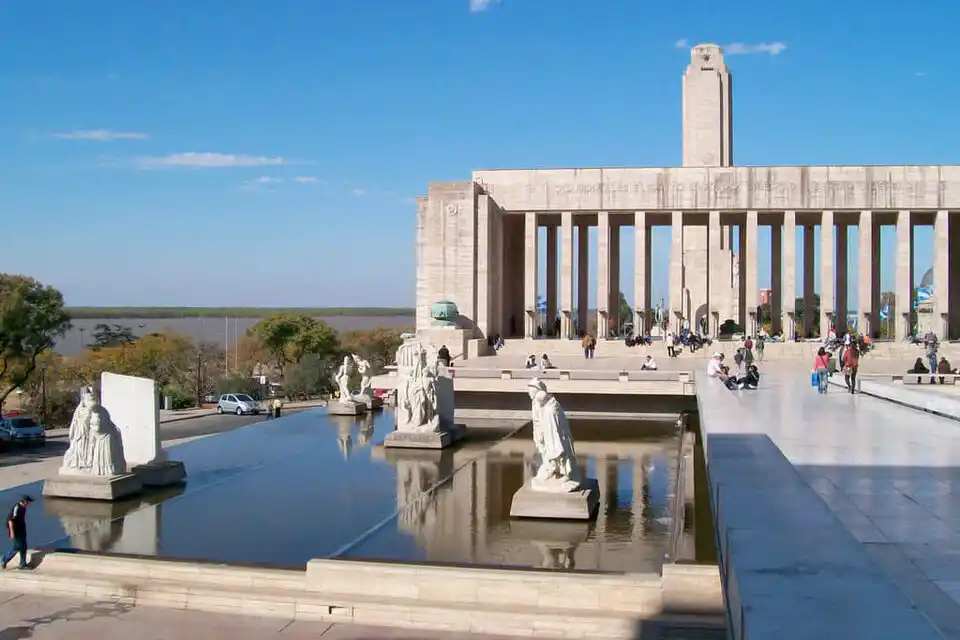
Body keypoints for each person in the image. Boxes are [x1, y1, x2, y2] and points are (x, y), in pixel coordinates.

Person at [2, 495, 33, 570]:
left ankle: (7, 560)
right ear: (24, 501)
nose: (29, 503)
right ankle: (6, 559)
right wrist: (12, 532)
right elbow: (10, 521)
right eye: (28, 502)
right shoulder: (17, 508)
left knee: (21, 546)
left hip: (21, 529)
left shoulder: (23, 508)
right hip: (16, 531)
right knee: (19, 547)